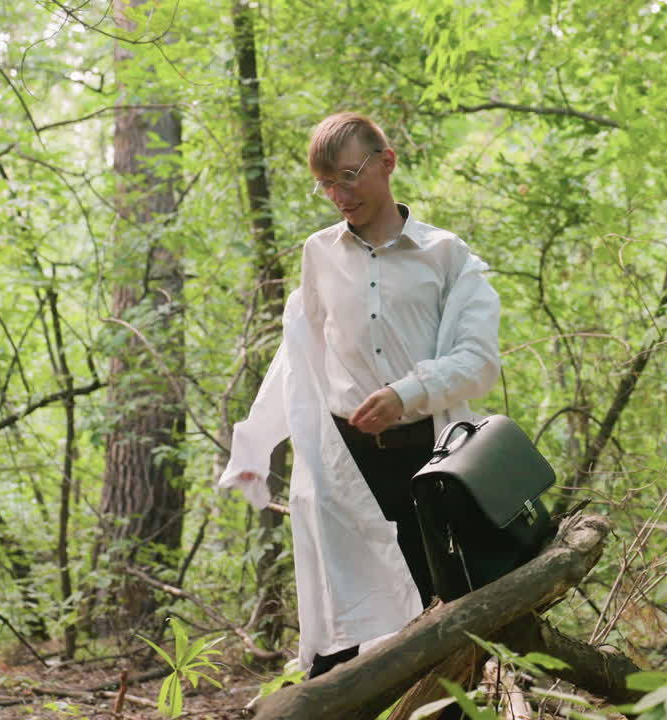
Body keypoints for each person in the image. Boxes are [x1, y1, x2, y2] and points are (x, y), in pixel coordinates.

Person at [217, 112, 501, 680]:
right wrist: (253, 447)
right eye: (325, 183)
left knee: (441, 626)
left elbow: (479, 362)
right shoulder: (318, 255)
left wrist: (407, 393)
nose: (338, 195)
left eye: (348, 177)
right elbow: (298, 358)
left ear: (387, 163)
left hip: (430, 462)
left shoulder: (446, 256)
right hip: (343, 469)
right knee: (343, 637)